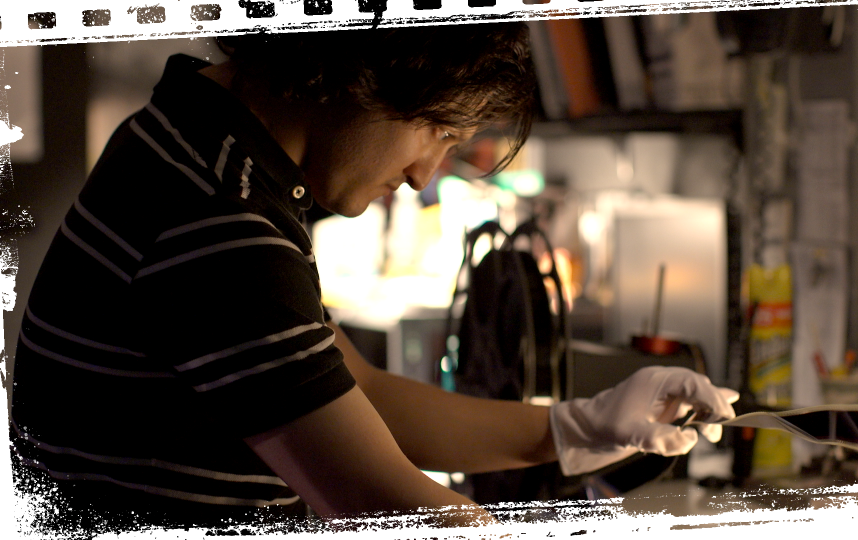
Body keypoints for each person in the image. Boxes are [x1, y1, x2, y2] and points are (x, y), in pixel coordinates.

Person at [10, 23, 738, 533]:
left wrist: (578, 426)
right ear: (356, 74)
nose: (426, 174)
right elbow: (379, 502)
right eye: (438, 131)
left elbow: (362, 396)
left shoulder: (204, 142)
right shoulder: (223, 224)